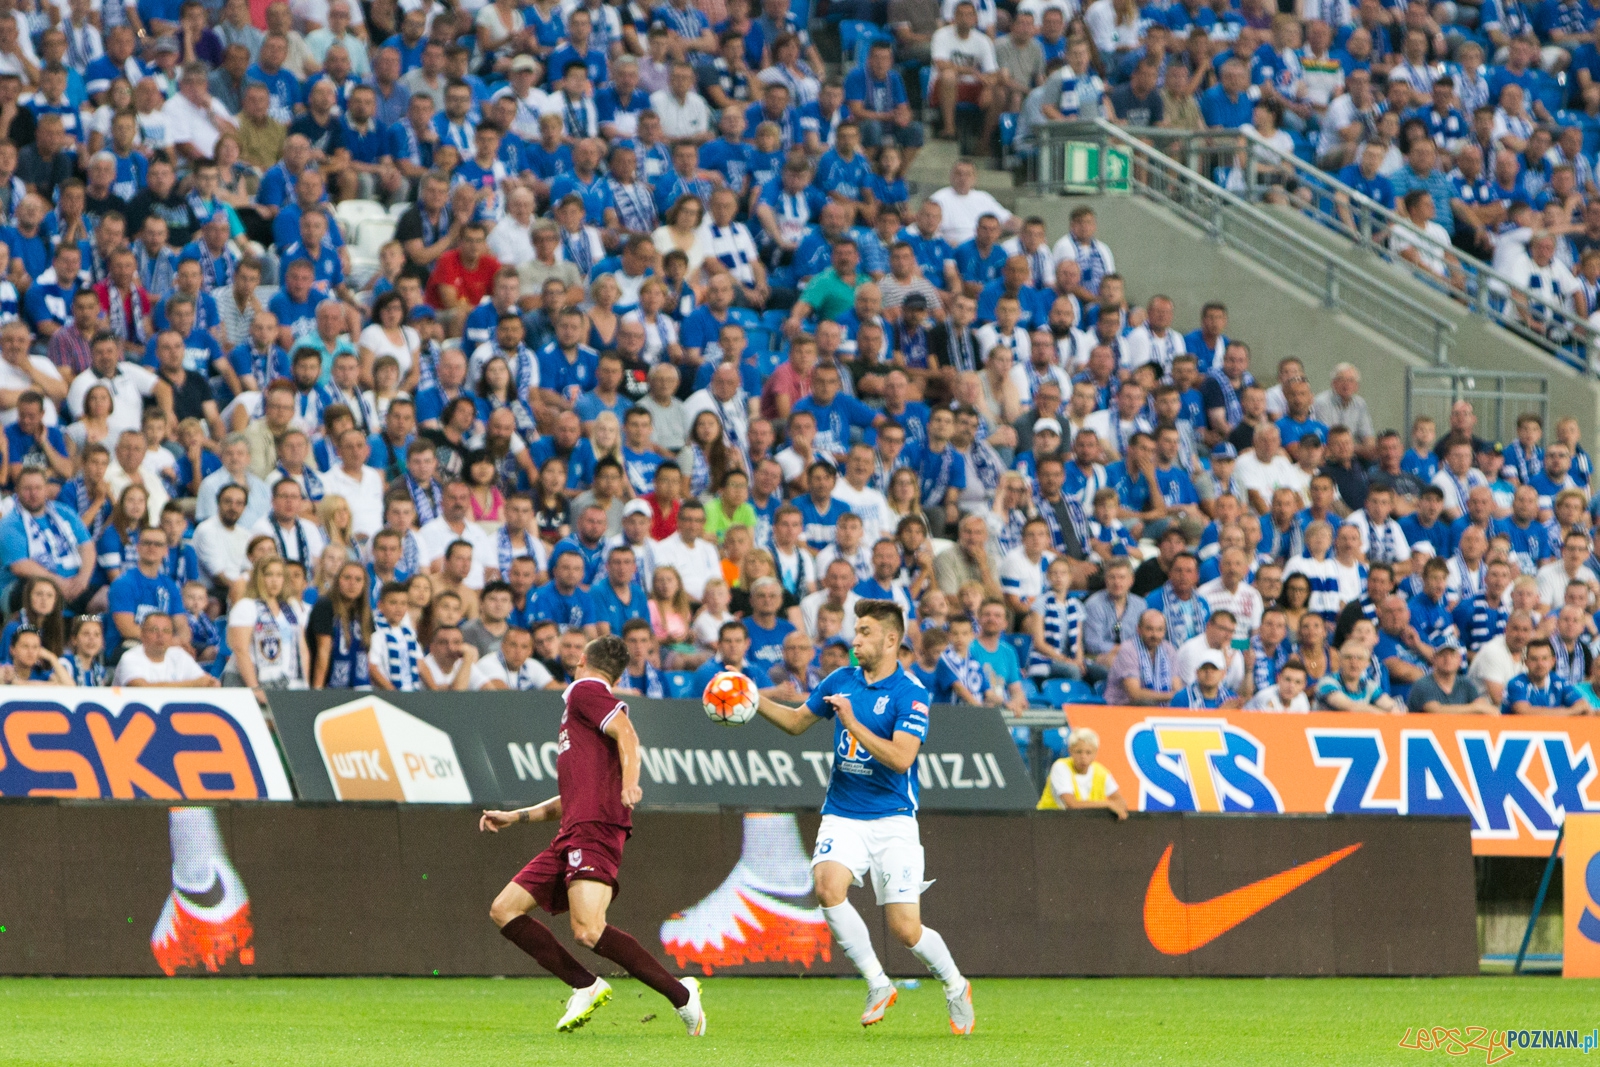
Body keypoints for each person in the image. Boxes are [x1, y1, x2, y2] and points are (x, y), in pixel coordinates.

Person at [752, 599, 974, 1033]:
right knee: (826, 886)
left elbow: (901, 758)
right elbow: (798, 722)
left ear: (891, 640)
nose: (856, 639)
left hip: (893, 818)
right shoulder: (840, 679)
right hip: (843, 812)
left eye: (866, 632)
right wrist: (751, 700)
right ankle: (876, 981)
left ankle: (955, 984)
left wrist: (852, 722)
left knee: (906, 930)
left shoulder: (911, 693)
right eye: (856, 630)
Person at [478, 634, 708, 1035]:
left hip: (596, 829)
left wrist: (630, 783)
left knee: (588, 930)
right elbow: (571, 797)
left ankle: (682, 995)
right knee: (504, 909)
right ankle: (585, 984)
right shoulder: (578, 714)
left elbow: (629, 735)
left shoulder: (586, 691)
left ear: (583, 659)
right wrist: (519, 816)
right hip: (572, 832)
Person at [225, 555, 309, 703]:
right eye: (269, 574)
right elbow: (240, 650)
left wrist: (304, 685)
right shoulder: (246, 606)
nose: (274, 580)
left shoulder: (292, 608)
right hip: (249, 686)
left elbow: (302, 649)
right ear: (258, 578)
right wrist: (255, 689)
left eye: (279, 575)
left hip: (286, 684)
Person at [1036, 726, 1127, 819]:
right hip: (1047, 822)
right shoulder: (1060, 767)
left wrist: (1114, 805)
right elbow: (1072, 805)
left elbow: (1121, 802)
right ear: (1070, 751)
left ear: (1095, 753)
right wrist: (1108, 804)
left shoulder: (1101, 772)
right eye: (1079, 752)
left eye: (1088, 752)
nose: (1083, 757)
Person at [113, 612, 218, 687]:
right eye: (154, 630)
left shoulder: (179, 655)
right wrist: (193, 684)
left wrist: (210, 683)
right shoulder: (130, 657)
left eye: (166, 631)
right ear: (142, 634)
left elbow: (206, 682)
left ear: (172, 636)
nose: (160, 635)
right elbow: (142, 688)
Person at [1407, 637, 1496, 714]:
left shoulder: (1466, 684)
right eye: (1443, 654)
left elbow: (1485, 708)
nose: (1448, 659)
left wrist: (1482, 707)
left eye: (1452, 655)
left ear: (1459, 660)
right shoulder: (1423, 684)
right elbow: (1436, 711)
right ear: (1434, 658)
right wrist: (1475, 708)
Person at [1504, 638, 1592, 715]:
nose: (1540, 664)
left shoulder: (1559, 682)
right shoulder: (1516, 683)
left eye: (1544, 658)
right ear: (1525, 662)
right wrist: (1570, 712)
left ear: (1553, 661)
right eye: (1534, 659)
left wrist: (1572, 710)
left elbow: (1583, 705)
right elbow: (1524, 712)